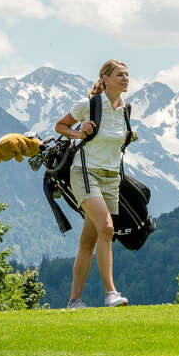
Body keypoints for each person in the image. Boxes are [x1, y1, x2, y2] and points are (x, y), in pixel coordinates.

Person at [54, 59, 132, 309]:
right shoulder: (89, 105)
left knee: (89, 240)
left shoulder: (126, 109)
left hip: (111, 179)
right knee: (107, 229)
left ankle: (74, 301)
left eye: (127, 75)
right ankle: (111, 293)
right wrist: (79, 132)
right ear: (105, 79)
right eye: (120, 75)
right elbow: (60, 126)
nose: (125, 79)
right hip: (86, 173)